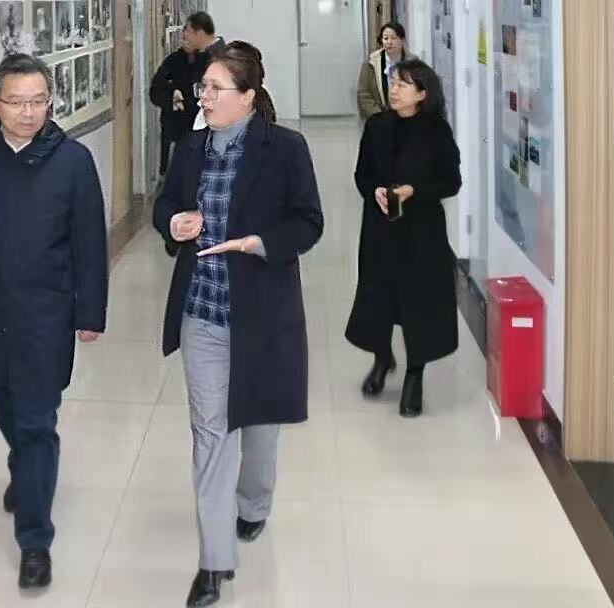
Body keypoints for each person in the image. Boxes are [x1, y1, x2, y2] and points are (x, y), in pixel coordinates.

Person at [0, 53, 108, 590]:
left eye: (38, 101)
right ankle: (27, 472)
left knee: (35, 423)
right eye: (17, 102)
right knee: (6, 409)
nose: (29, 112)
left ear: (50, 102)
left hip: (44, 317)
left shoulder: (72, 162)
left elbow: (90, 246)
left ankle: (35, 540)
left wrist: (90, 312)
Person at [154, 41, 322, 608]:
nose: (203, 96)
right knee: (211, 433)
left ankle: (254, 504)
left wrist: (260, 243)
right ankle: (214, 562)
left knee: (260, 429)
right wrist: (174, 223)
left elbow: (309, 222)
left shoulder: (286, 149)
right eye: (202, 87)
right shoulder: (190, 147)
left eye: (215, 88)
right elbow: (164, 205)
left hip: (264, 315)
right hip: (203, 312)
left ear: (248, 97)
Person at [345, 59, 462, 418]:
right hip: (380, 228)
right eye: (392, 82)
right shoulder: (377, 126)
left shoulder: (436, 131)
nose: (393, 90)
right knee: (378, 296)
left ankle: (415, 374)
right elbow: (362, 174)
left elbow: (451, 182)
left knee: (418, 302)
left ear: (422, 94)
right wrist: (375, 190)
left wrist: (415, 190)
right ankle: (382, 358)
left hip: (421, 231)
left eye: (403, 84)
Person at [149, 11, 225, 177]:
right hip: (176, 138)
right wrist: (172, 95)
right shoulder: (176, 60)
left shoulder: (222, 61)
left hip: (208, 144)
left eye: (188, 32)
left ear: (200, 34)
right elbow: (156, 89)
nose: (183, 36)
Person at [357, 22, 415, 120]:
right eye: (386, 38)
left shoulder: (413, 62)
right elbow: (364, 93)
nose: (389, 42)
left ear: (402, 40)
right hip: (379, 117)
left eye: (393, 38)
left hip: (407, 117)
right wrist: (379, 117)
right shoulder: (371, 62)